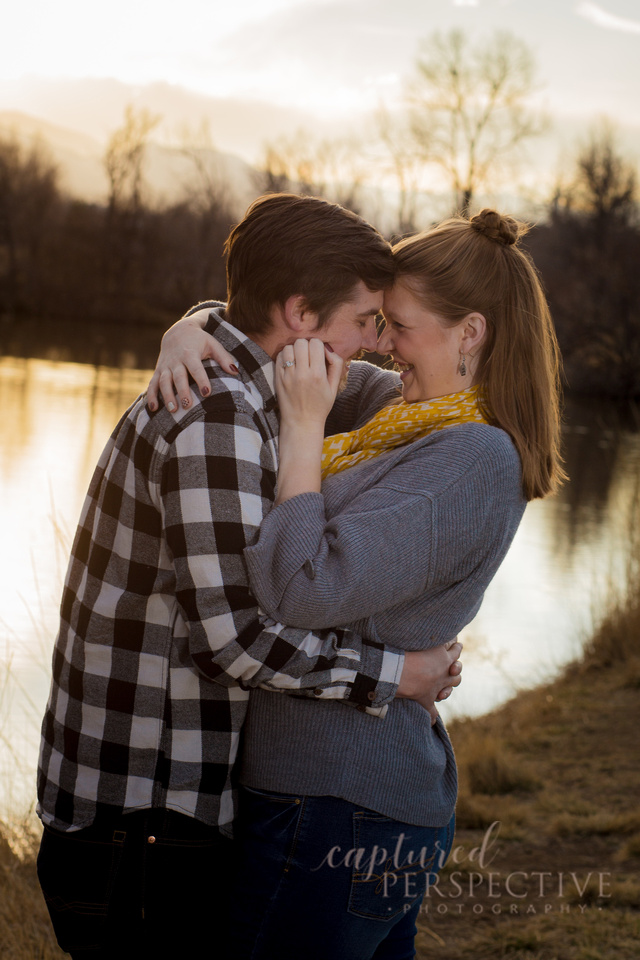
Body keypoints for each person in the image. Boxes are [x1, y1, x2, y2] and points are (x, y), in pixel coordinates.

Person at [36, 194, 462, 960]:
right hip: (146, 821)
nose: (373, 343)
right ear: (300, 313)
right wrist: (395, 675)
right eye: (366, 319)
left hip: (153, 817)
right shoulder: (217, 415)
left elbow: (398, 400)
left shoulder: (252, 390)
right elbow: (234, 643)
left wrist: (190, 319)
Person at [149, 208, 564, 959]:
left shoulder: (473, 458)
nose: (380, 343)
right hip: (335, 799)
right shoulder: (403, 414)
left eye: (397, 325)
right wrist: (191, 327)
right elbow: (279, 335)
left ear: (468, 331)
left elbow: (300, 587)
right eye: (376, 322)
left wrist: (304, 432)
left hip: (341, 804)